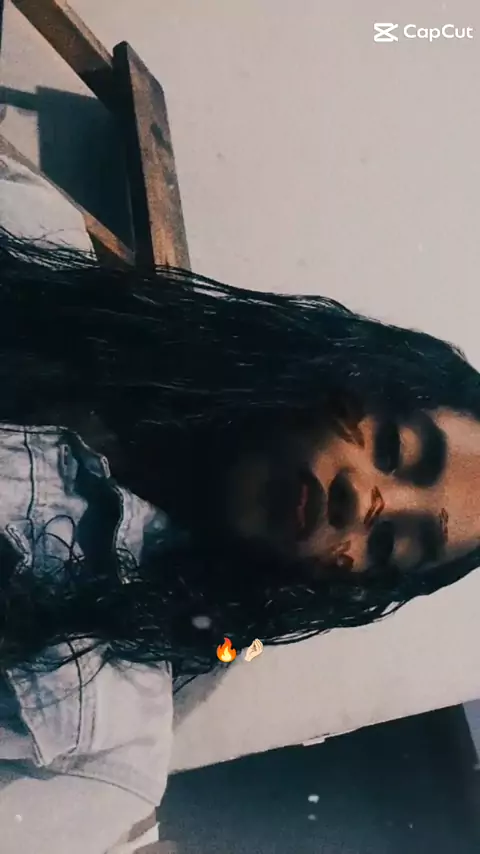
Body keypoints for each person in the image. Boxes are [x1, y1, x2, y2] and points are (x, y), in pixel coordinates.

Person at [1, 223, 480, 851]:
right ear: (350, 380)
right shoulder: (43, 258)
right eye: (394, 448)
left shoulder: (101, 743)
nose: (365, 503)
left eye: (392, 544)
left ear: (347, 579)